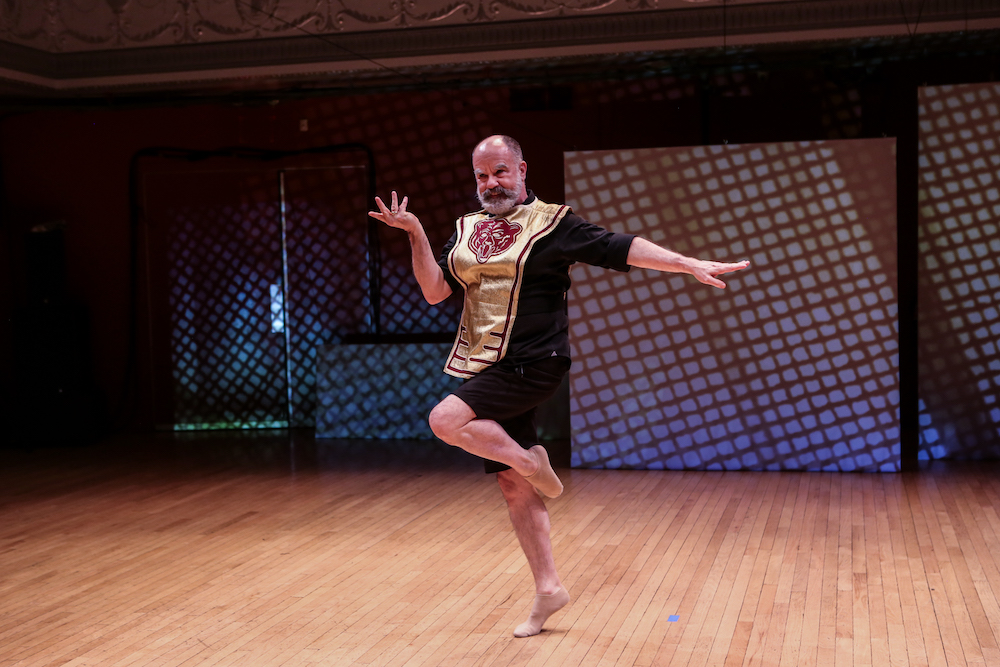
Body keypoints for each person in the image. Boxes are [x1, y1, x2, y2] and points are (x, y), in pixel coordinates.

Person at [369, 135, 749, 637]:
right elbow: (436, 290)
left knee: (446, 420)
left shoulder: (552, 223)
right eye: (482, 176)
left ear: (522, 170)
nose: (492, 184)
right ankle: (548, 589)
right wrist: (415, 231)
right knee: (511, 484)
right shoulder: (467, 229)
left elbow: (621, 248)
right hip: (484, 367)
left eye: (501, 172)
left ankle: (533, 460)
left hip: (534, 361)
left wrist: (686, 263)